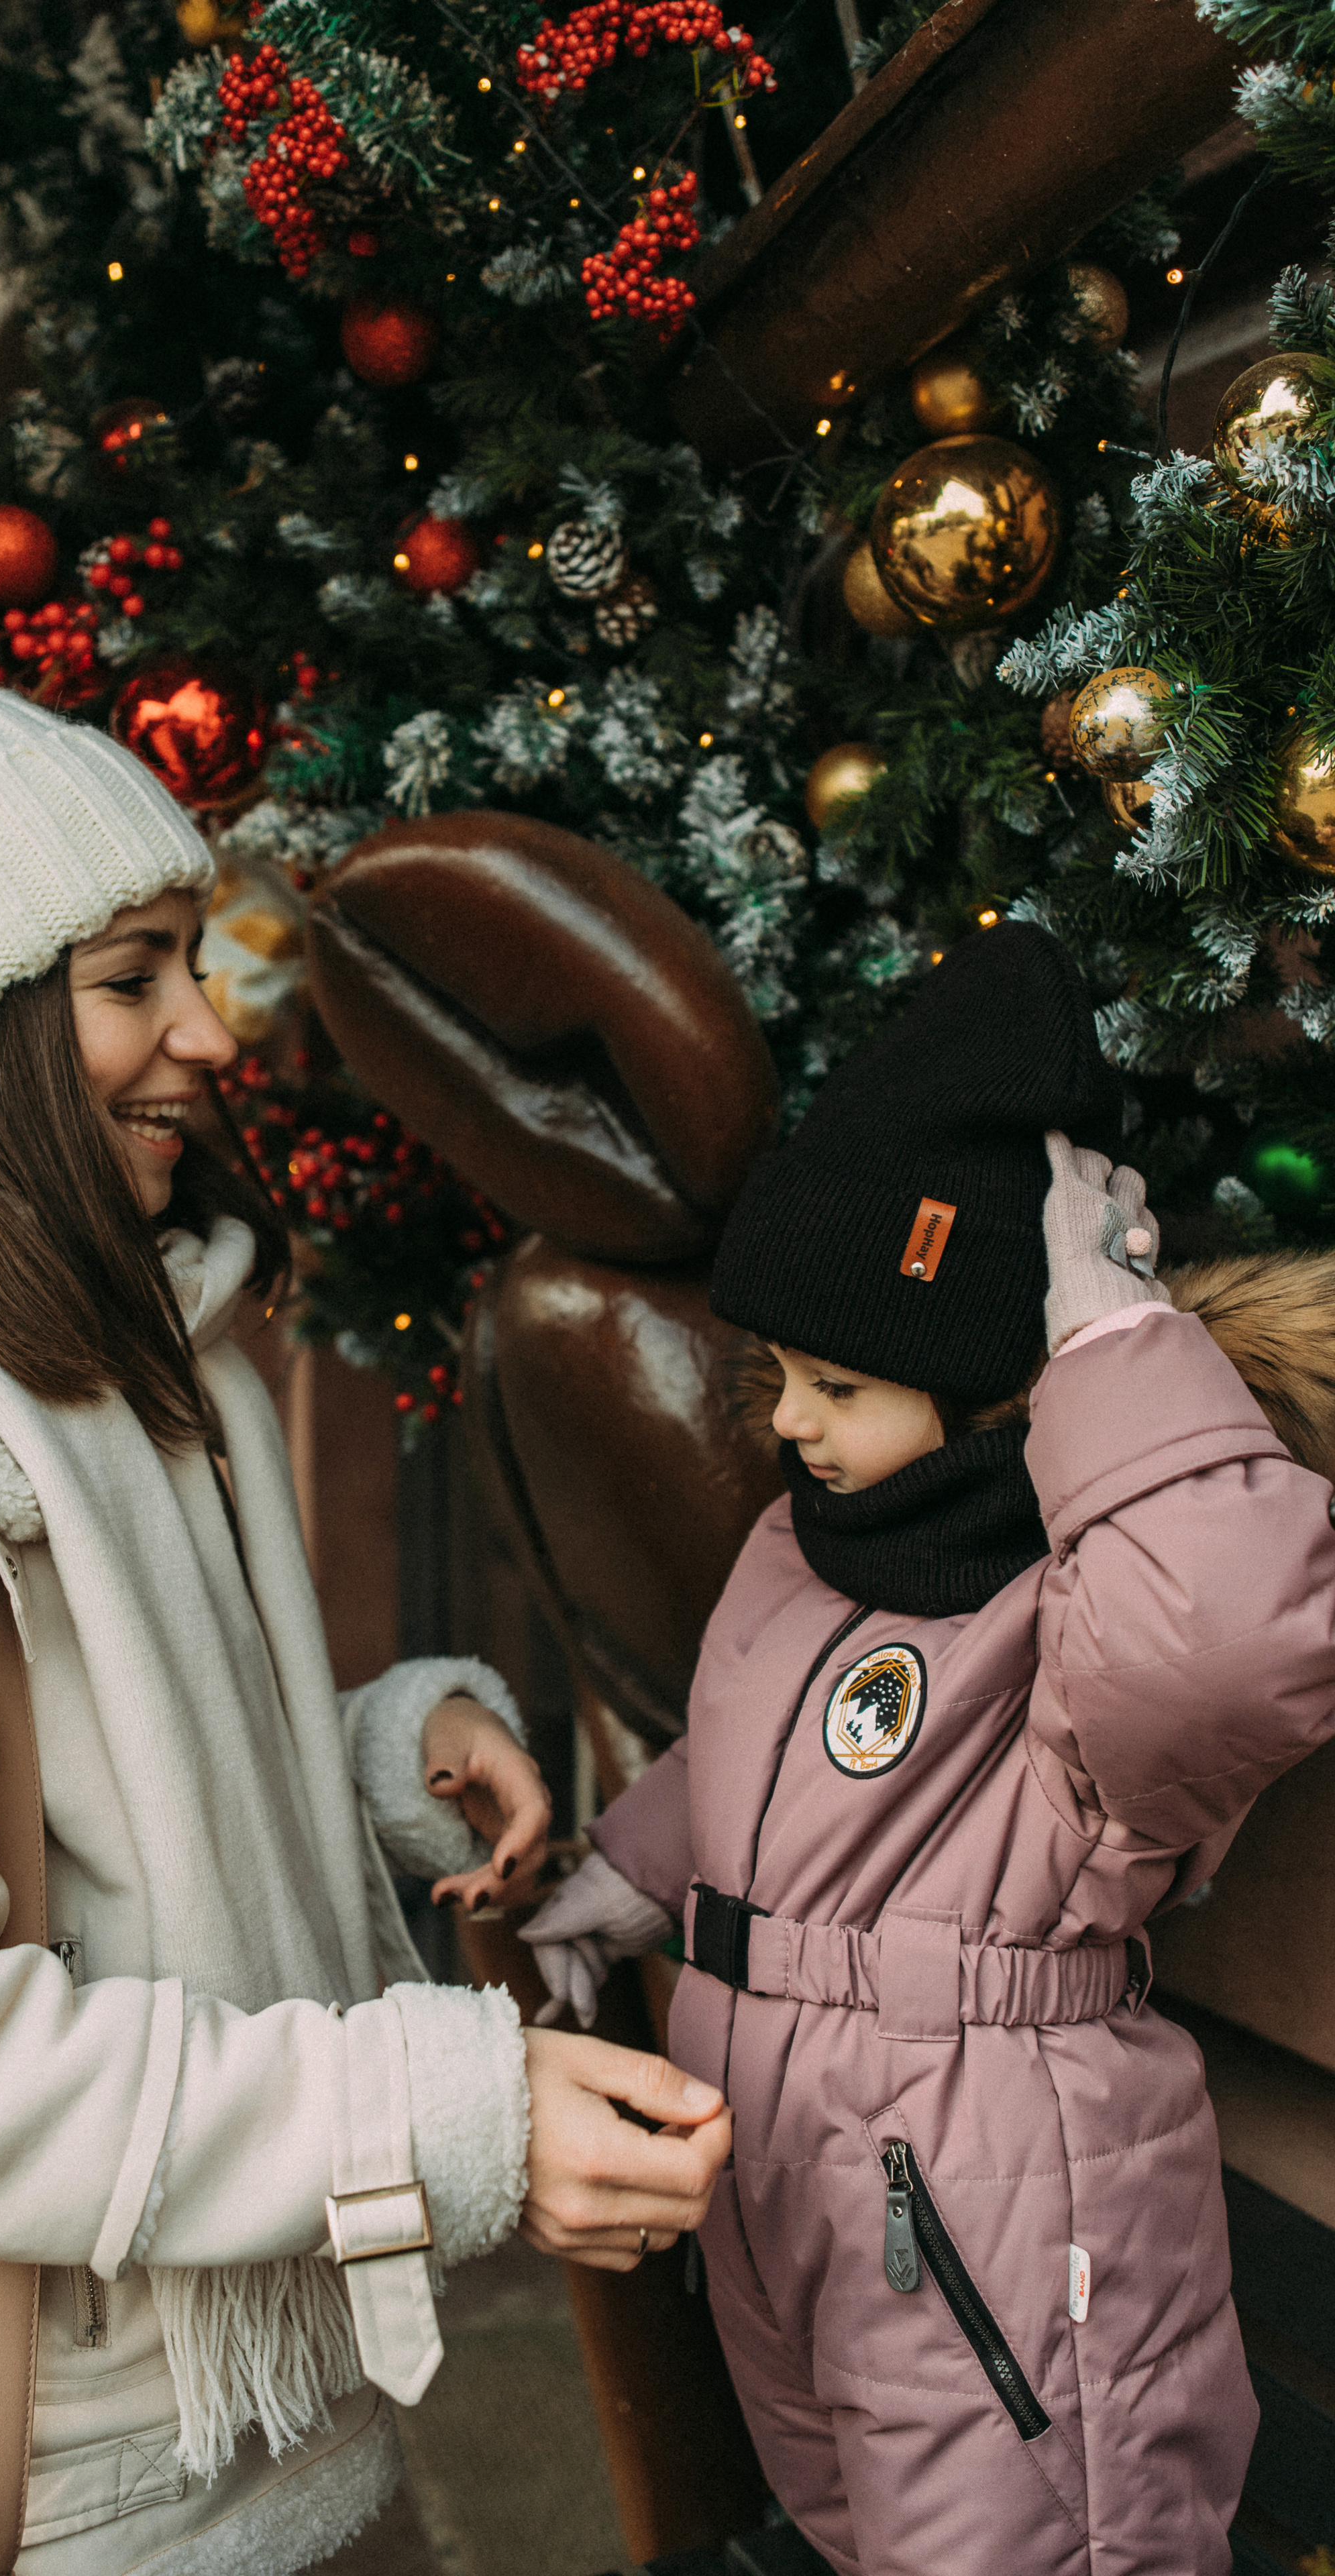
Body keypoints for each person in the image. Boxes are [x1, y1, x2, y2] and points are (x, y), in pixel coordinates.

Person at [0, 639, 729, 2574]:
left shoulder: (136, 1363)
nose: (210, 1034)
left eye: (189, 966)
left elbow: (115, 1787)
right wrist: (442, 2118)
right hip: (37, 2507)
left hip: (271, 2440)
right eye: (133, 980)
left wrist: (383, 1756)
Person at [523, 925, 1335, 2576]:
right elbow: (755, 1760)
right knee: (844, 2531)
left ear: (987, 1389)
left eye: (836, 1382)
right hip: (785, 2171)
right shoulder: (817, 1536)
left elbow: (1229, 1652)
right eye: (779, 1375)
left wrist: (1112, 1349)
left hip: (981, 2191)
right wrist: (630, 1871)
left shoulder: (1075, 1594)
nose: (786, 1422)